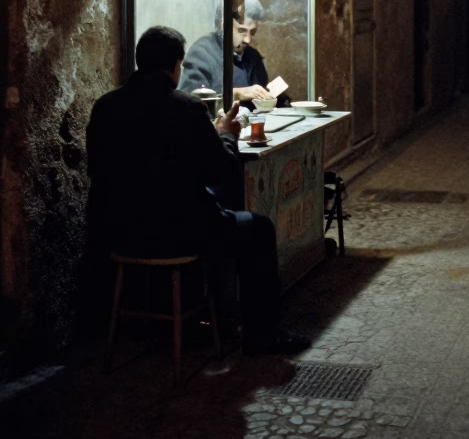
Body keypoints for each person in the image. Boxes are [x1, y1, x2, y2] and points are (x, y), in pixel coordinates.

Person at [86, 25, 309, 355]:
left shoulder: (105, 106)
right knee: (258, 228)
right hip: (179, 235)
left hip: (119, 232)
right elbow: (221, 171)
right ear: (176, 66)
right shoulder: (186, 108)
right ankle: (262, 334)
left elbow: (97, 168)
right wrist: (226, 134)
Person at [180, 0, 271, 104]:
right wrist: (236, 94)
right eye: (241, 30)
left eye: (252, 32)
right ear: (223, 25)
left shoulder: (253, 56)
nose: (248, 40)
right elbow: (189, 100)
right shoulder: (201, 52)